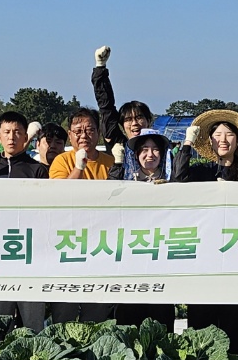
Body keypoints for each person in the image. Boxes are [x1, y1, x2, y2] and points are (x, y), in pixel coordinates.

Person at [174, 109, 238, 354]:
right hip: (204, 257)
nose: (223, 140)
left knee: (235, 318)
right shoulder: (201, 172)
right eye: (217, 135)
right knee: (202, 318)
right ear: (210, 141)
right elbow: (178, 180)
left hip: (236, 256)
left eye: (229, 135)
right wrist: (186, 145)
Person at [0, 111, 49, 331]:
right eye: (7, 132)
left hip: (30, 256)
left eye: (17, 132)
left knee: (33, 325)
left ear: (25, 137)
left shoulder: (38, 170)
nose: (11, 137)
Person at [47, 108, 116, 323]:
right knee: (64, 312)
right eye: (78, 131)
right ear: (70, 134)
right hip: (69, 242)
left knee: (96, 311)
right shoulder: (61, 160)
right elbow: (59, 195)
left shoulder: (110, 161)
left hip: (101, 243)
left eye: (89, 130)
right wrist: (79, 166)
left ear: (98, 132)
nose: (84, 135)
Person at [106, 128, 176, 331]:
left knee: (161, 321)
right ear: (136, 155)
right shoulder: (126, 180)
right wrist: (117, 164)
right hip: (131, 260)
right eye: (144, 149)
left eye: (155, 149)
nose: (150, 154)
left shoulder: (173, 182)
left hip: (161, 261)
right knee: (129, 321)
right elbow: (109, 199)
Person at [89, 45, 157, 179]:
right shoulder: (118, 143)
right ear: (122, 125)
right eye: (128, 120)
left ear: (148, 121)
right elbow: (106, 107)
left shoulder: (160, 146)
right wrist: (100, 67)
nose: (134, 123)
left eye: (139, 118)